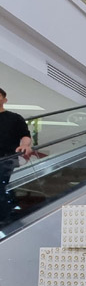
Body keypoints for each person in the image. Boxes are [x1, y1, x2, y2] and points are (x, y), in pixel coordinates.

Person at [0, 87, 33, 222]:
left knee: (1, 184)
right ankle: (9, 212)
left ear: (5, 99)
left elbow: (25, 135)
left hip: (7, 157)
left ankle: (6, 216)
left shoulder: (14, 118)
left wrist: (25, 145)